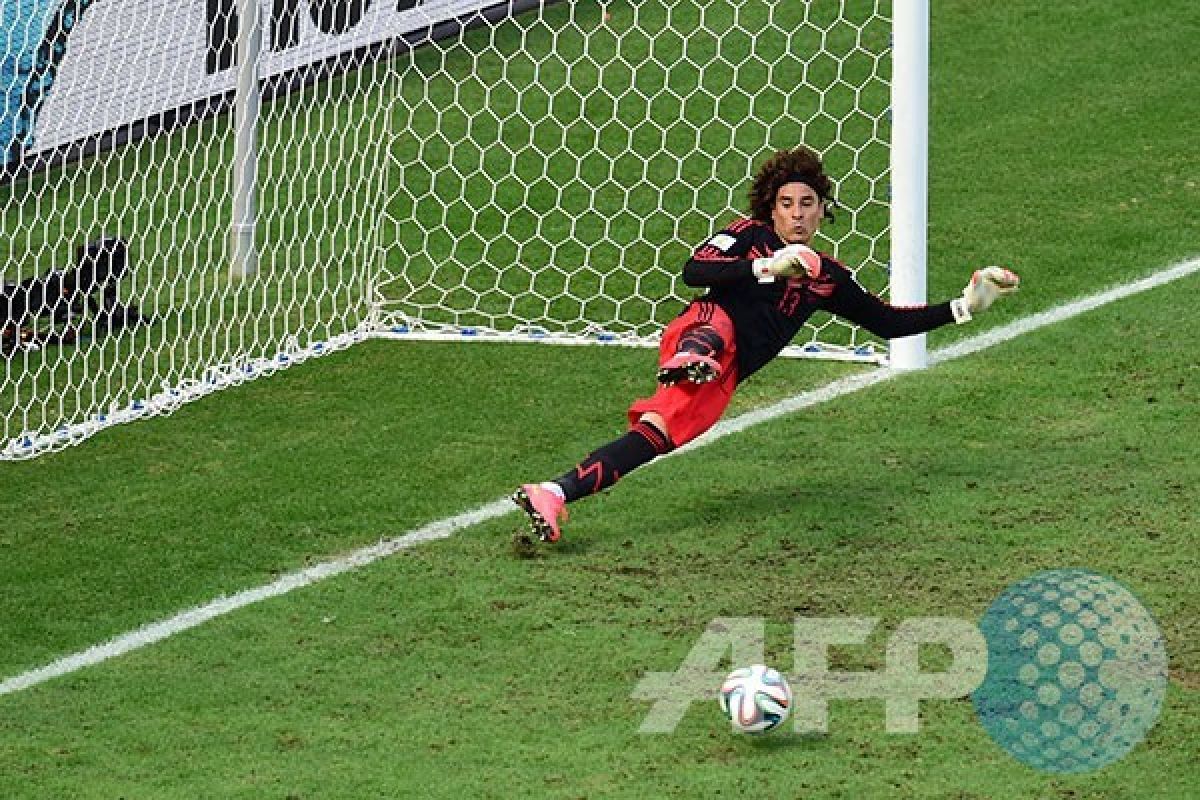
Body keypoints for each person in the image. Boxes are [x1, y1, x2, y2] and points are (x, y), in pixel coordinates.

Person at [512, 145, 1019, 544]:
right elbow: (695, 271)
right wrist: (766, 267)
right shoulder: (748, 237)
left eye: (807, 205)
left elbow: (886, 322)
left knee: (655, 436)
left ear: (823, 211)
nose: (796, 215)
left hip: (724, 378)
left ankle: (554, 493)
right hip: (700, 330)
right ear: (771, 211)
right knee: (716, 326)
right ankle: (695, 357)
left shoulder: (828, 279)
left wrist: (965, 307)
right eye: (786, 205)